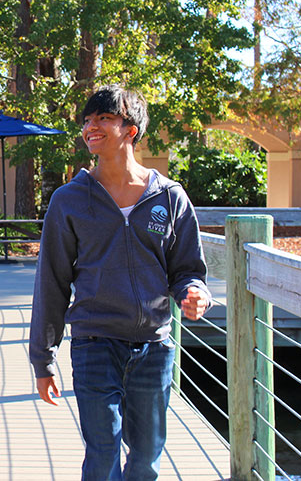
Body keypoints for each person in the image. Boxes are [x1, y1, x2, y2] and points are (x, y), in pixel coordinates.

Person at [29, 85, 211, 480]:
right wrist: (43, 358)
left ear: (131, 130)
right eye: (87, 120)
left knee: (146, 459)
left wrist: (194, 292)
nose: (90, 127)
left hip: (154, 347)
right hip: (95, 344)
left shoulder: (170, 198)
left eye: (104, 119)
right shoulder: (69, 200)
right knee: (103, 455)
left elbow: (187, 270)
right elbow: (52, 283)